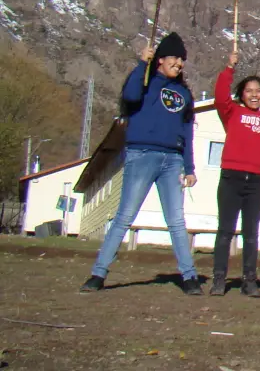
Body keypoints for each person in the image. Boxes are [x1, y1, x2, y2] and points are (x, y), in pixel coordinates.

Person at [80, 33, 203, 295]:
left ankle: (190, 276)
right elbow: (130, 95)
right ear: (161, 59)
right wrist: (141, 64)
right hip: (142, 154)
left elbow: (187, 131)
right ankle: (98, 274)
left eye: (182, 59)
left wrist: (190, 167)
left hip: (172, 160)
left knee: (176, 221)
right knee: (125, 216)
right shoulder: (145, 82)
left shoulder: (183, 93)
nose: (179, 63)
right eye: (174, 57)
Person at [210, 50, 260, 297]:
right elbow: (220, 95)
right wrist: (229, 68)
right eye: (249, 91)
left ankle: (249, 281)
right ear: (241, 94)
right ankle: (219, 279)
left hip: (256, 181)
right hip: (231, 178)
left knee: (251, 232)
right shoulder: (232, 112)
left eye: (258, 91)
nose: (254, 95)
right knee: (225, 230)